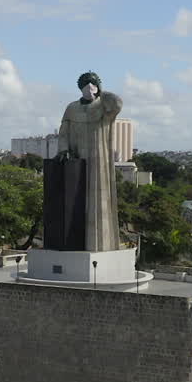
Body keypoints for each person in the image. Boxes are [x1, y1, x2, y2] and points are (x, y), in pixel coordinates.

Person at [57, 72, 123, 251]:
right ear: (80, 87)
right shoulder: (72, 108)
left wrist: (101, 92)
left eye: (92, 83)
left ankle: (98, 244)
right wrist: (63, 149)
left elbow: (117, 104)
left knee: (97, 198)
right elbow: (63, 132)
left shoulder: (103, 106)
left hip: (98, 157)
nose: (89, 86)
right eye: (85, 84)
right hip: (76, 157)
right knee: (73, 199)